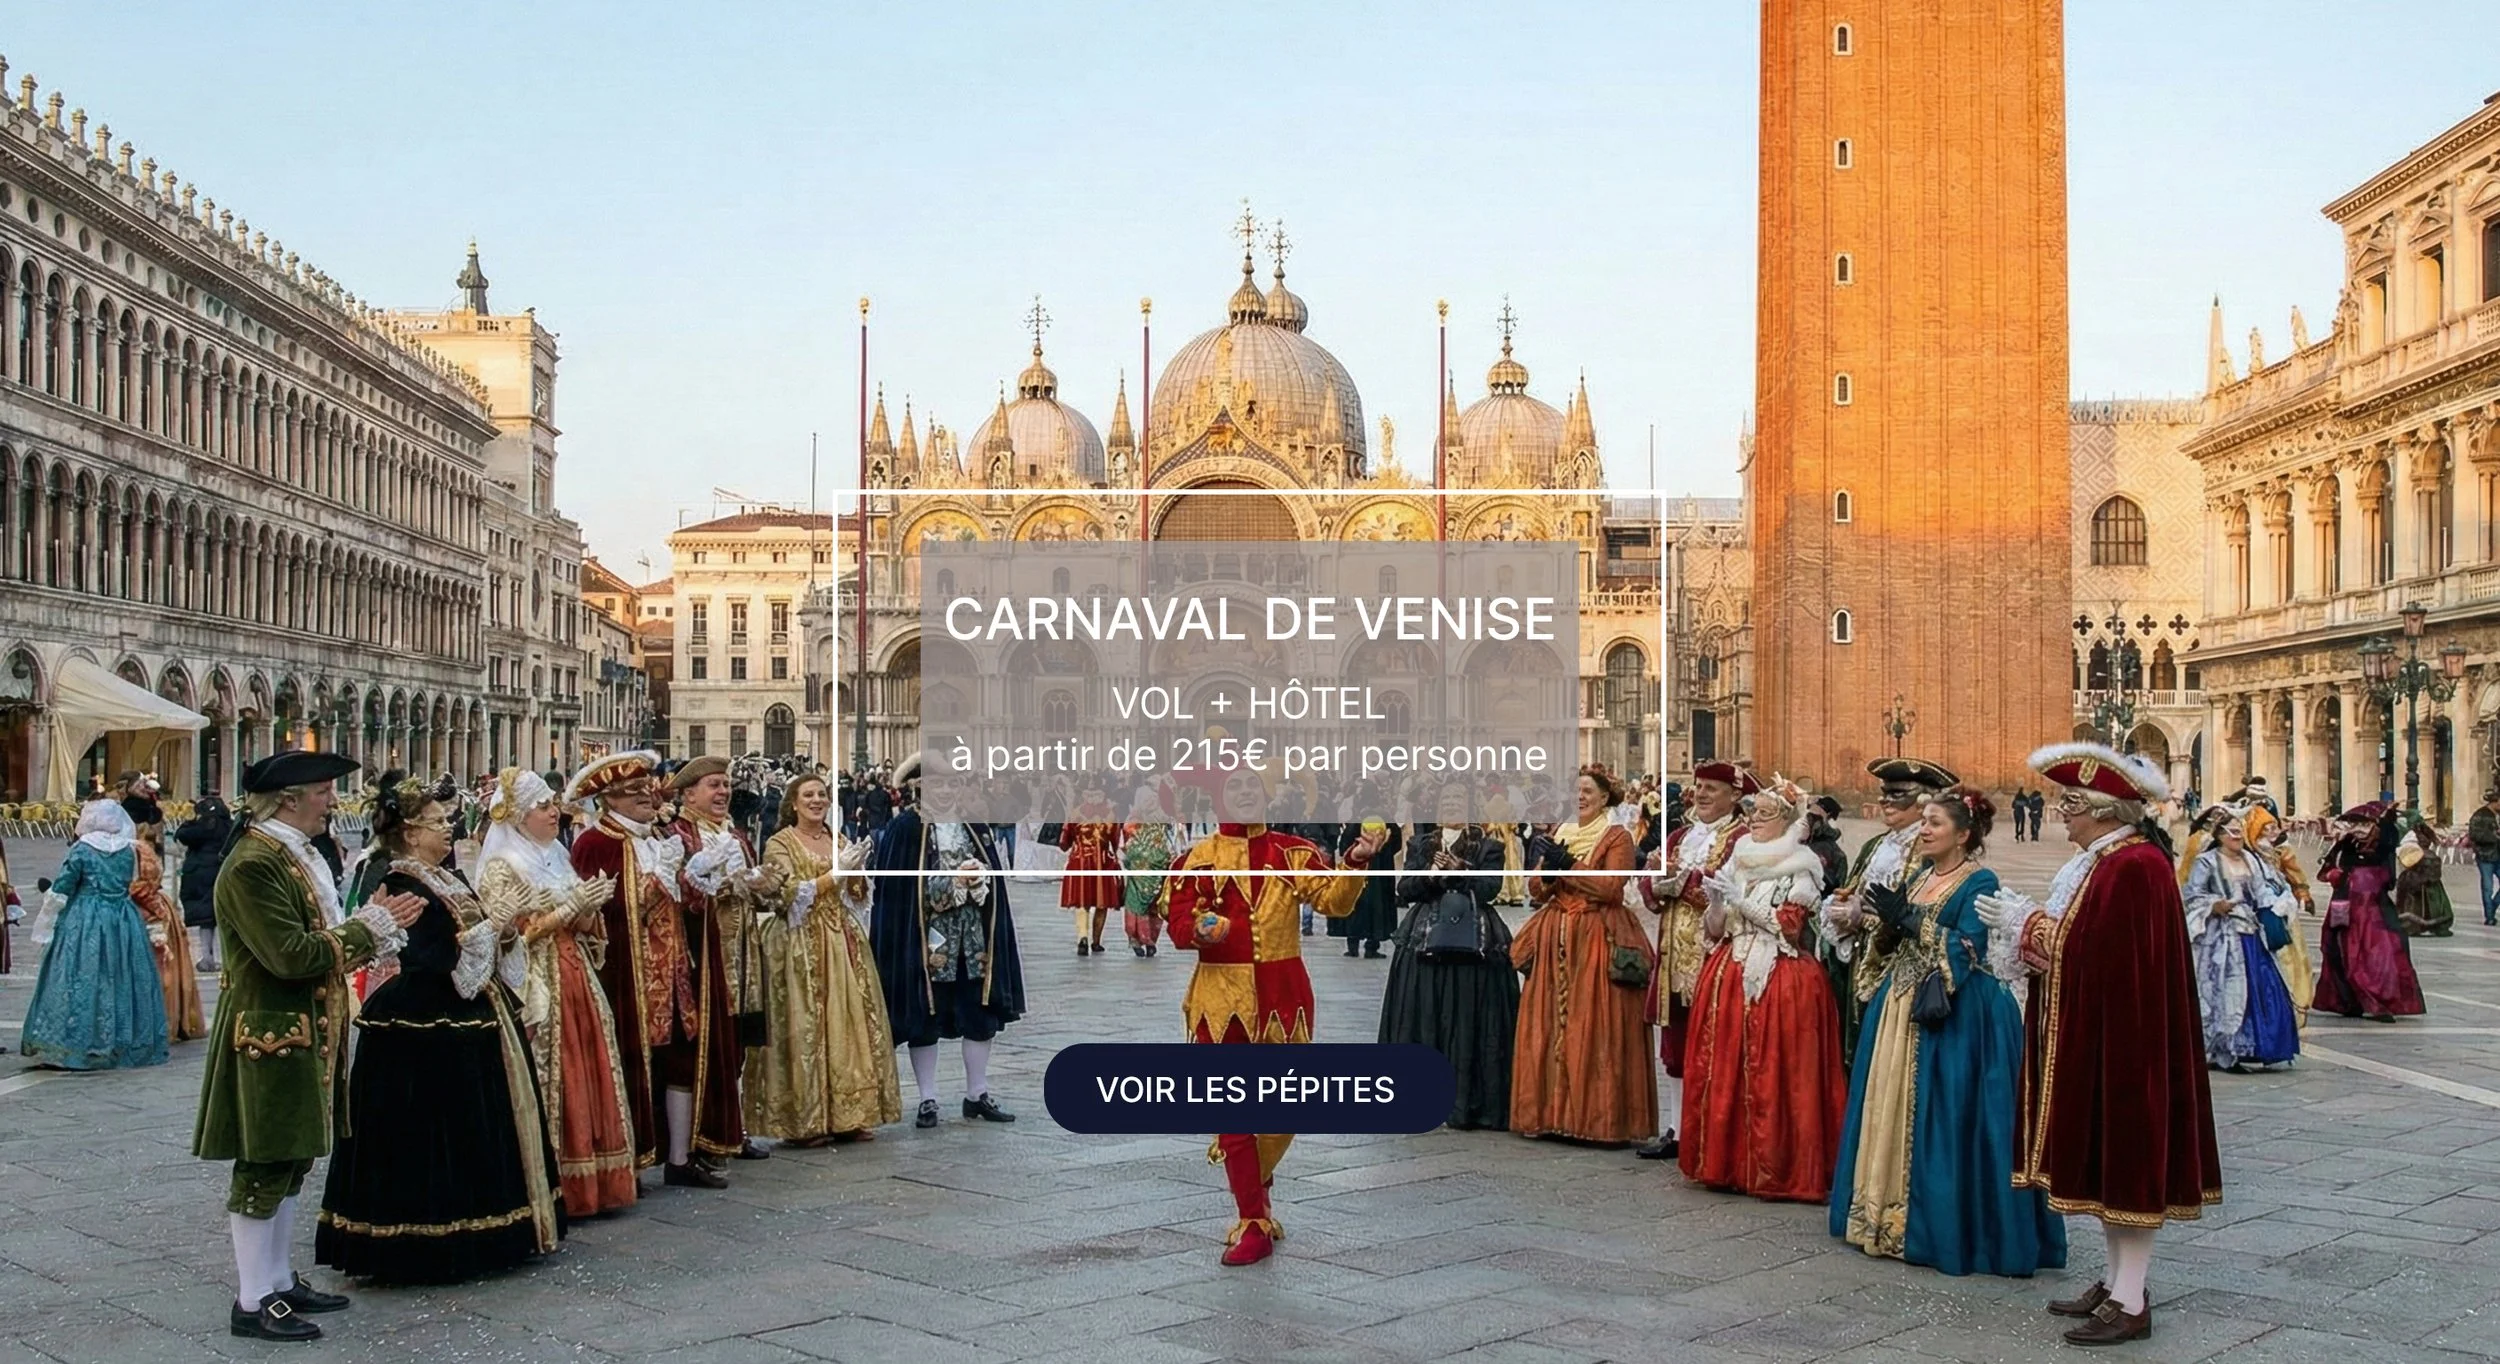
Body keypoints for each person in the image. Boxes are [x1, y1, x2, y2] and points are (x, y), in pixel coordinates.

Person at [1976, 742, 2220, 1348]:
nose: (2063, 811)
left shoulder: (2133, 866)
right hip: (2107, 1034)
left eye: (2072, 803)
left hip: (2129, 1044)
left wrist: (2026, 924)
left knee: (2128, 1165)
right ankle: (2116, 1284)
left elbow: (2099, 954)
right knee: (2109, 1167)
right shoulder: (2105, 862)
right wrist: (2032, 929)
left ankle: (2131, 1299)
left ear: (2106, 810)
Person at [193, 751, 425, 1343]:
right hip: (269, 1034)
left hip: (304, 1029)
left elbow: (321, 945)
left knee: (293, 1156)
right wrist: (367, 927)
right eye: (323, 791)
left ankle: (276, 1277)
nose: (332, 800)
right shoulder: (252, 864)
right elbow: (290, 955)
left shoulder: (289, 855)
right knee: (264, 1161)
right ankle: (252, 1298)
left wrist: (368, 927)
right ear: (290, 798)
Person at [315, 773, 565, 1283]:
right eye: (437, 823)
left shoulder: (447, 877)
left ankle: (490, 1226)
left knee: (478, 1121)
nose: (449, 829)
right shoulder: (403, 882)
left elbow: (476, 944)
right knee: (432, 1130)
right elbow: (434, 957)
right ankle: (429, 1238)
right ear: (409, 832)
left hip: (471, 1011)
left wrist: (505, 929)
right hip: (427, 1018)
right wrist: (491, 926)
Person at [1830, 787, 2065, 1277]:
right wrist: (1888, 926)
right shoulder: (1918, 875)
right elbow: (1892, 943)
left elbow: (1968, 948)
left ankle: (1943, 1225)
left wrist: (1913, 921)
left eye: (1935, 823)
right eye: (1925, 822)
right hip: (1900, 1005)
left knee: (1949, 1116)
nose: (1925, 830)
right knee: (1888, 1106)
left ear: (1963, 835)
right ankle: (1884, 1213)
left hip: (1956, 1015)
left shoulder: (1979, 880)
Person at [1167, 765, 1386, 1265]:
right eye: (1233, 787)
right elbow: (1177, 924)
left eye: (1252, 786)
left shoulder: (1292, 852)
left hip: (1283, 999)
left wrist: (1355, 862)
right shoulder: (1197, 859)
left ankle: (1257, 1192)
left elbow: (1333, 903)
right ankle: (1252, 1219)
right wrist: (1201, 929)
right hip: (1220, 1001)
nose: (1244, 793)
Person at [569, 751, 746, 1190]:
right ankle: (626, 1155)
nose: (648, 799)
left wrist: (698, 877)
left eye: (648, 791)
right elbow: (603, 910)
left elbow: (686, 905)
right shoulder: (596, 844)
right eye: (635, 794)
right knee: (631, 1062)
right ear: (611, 800)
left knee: (681, 1060)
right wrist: (659, 880)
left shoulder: (658, 838)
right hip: (630, 976)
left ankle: (679, 1157)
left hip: (675, 972)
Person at [480, 766, 636, 1219]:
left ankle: (595, 1178)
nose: (554, 813)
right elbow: (507, 935)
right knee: (555, 1066)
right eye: (544, 807)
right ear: (520, 816)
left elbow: (582, 926)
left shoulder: (556, 856)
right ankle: (557, 1181)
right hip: (537, 978)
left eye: (553, 805)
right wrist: (568, 909)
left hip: (573, 970)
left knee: (586, 1062)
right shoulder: (502, 865)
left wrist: (589, 909)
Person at [1679, 781, 1845, 1202]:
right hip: (1731, 970)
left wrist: (1744, 902)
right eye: (1752, 812)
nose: (1753, 819)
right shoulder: (1739, 861)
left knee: (1777, 1074)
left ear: (1786, 821)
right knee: (1726, 1068)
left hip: (1781, 974)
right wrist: (1718, 904)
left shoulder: (1803, 865)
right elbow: (1716, 932)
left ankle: (1777, 1167)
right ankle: (1727, 1163)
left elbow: (1789, 926)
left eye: (1764, 814)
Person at [869, 756, 1027, 1130]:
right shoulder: (905, 829)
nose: (945, 791)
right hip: (925, 942)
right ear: (917, 788)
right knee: (926, 1016)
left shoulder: (973, 824)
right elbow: (898, 890)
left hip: (973, 940)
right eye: (936, 785)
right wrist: (949, 883)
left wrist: (980, 878)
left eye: (951, 784)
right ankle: (927, 1098)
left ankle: (977, 1093)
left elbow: (993, 876)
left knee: (979, 1012)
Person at [748, 772, 903, 1145]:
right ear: (793, 803)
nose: (817, 800)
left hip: (842, 938)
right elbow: (783, 898)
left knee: (849, 1025)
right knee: (806, 1027)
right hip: (799, 943)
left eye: (821, 794)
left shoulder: (838, 839)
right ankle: (805, 1120)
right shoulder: (779, 843)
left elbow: (855, 896)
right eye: (809, 795)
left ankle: (851, 1115)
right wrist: (833, 876)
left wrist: (856, 874)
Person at [1512, 765, 1656, 1146]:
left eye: (1588, 790)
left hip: (1596, 938)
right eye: (1575, 790)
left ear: (1605, 796)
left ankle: (1595, 1120)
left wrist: (1568, 866)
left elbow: (1610, 889)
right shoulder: (1563, 831)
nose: (1580, 797)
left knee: (1594, 1025)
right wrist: (1545, 875)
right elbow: (1538, 891)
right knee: (1550, 1027)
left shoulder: (1617, 837)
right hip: (1555, 938)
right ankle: (1549, 1115)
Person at [1379, 780, 1518, 1130]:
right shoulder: (1421, 844)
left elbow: (1490, 889)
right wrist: (1434, 876)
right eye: (1446, 798)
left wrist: (1462, 871)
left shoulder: (1489, 846)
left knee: (1471, 1015)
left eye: (1459, 797)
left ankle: (1469, 1100)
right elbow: (1406, 888)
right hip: (1425, 937)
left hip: (1473, 940)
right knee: (1422, 1010)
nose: (1452, 803)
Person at [666, 756, 780, 1164]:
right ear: (689, 794)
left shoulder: (735, 835)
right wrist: (720, 888)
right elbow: (679, 895)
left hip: (742, 953)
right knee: (706, 1044)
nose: (723, 792)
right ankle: (702, 1131)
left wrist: (763, 886)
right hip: (703, 955)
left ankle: (735, 1127)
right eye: (713, 785)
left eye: (725, 785)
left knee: (736, 1044)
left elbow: (753, 887)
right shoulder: (677, 836)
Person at [1638, 761, 1747, 1160]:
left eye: (1712, 789)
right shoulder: (1681, 835)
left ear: (1734, 796)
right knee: (1674, 1041)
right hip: (1672, 950)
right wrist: (1659, 879)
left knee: (1715, 1040)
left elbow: (1730, 890)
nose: (1700, 794)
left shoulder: (1742, 838)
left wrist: (1683, 882)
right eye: (1698, 786)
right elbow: (1649, 882)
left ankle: (1711, 1130)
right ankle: (1678, 1128)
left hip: (1713, 952)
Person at [1819, 757, 1956, 1076]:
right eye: (1883, 792)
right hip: (1860, 963)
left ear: (1925, 801)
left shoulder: (1932, 850)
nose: (1884, 800)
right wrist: (1840, 911)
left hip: (1901, 972)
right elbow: (1848, 891)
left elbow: (1928, 914)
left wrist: (1866, 918)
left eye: (1897, 794)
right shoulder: (1874, 846)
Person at [20, 800, 171, 1070]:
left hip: (86, 917)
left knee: (83, 976)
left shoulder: (83, 849)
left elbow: (64, 885)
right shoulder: (128, 849)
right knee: (121, 977)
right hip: (123, 918)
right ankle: (120, 1040)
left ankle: (81, 1041)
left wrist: (48, 915)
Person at [2180, 806, 2301, 1072]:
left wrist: (2278, 904)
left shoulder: (2251, 860)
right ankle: (2226, 1048)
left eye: (2239, 832)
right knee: (2223, 989)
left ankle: (2262, 1045)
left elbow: (2262, 891)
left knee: (2262, 986)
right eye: (2232, 832)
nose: (2237, 837)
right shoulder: (2207, 861)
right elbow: (2191, 894)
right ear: (2220, 835)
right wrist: (2214, 905)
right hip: (2220, 936)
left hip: (2250, 931)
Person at [2315, 802, 2426, 1022]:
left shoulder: (2384, 840)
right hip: (2346, 907)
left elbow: (2392, 844)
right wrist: (2336, 874)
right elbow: (2329, 868)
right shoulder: (2348, 842)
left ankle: (2379, 1000)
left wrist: (2387, 819)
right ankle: (2351, 1001)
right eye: (2356, 824)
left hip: (2375, 909)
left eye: (2364, 823)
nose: (2359, 828)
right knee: (2343, 953)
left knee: (2382, 952)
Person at [2243, 804, 2316, 1032]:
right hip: (2263, 913)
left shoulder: (2279, 852)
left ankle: (2296, 1002)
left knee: (2294, 958)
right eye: (2267, 828)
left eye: (2274, 827)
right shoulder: (2248, 856)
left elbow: (2293, 874)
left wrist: (2301, 894)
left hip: (2284, 911)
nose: (2273, 831)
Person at [1058, 784, 1124, 956]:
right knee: (1102, 903)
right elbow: (1116, 840)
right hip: (1102, 862)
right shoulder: (1110, 814)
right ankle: (1096, 941)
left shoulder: (1075, 813)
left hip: (1079, 861)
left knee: (1082, 901)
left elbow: (1064, 841)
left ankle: (1082, 937)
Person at [174, 795, 234, 972]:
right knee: (224, 917)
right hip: (223, 871)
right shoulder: (229, 826)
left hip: (198, 873)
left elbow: (182, 836)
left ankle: (207, 957)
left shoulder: (199, 827)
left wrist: (188, 821)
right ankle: (226, 957)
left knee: (205, 918)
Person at [1331, 812, 1402, 958]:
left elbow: (1344, 845)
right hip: (1380, 873)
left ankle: (1352, 946)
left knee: (1354, 907)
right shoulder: (1388, 821)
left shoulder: (1355, 820)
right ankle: (1372, 947)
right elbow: (1397, 844)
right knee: (1378, 910)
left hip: (1359, 871)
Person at [1120, 789, 1177, 957]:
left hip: (1150, 866)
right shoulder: (1155, 818)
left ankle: (1144, 939)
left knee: (1146, 904)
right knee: (1145, 903)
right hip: (1149, 865)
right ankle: (1144, 939)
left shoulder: (1141, 819)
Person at [2395, 822, 2456, 937]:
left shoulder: (2412, 836)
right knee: (2435, 902)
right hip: (2428, 876)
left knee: (2415, 901)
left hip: (2417, 875)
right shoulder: (2429, 849)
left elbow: (2404, 853)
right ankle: (2437, 924)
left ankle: (2414, 925)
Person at [2473, 790, 2500, 927]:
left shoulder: (2497, 816)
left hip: (2498, 855)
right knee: (2487, 887)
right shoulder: (2480, 815)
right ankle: (2489, 916)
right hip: (2485, 856)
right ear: (2495, 802)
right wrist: (2495, 837)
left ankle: (2493, 906)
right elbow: (2475, 835)